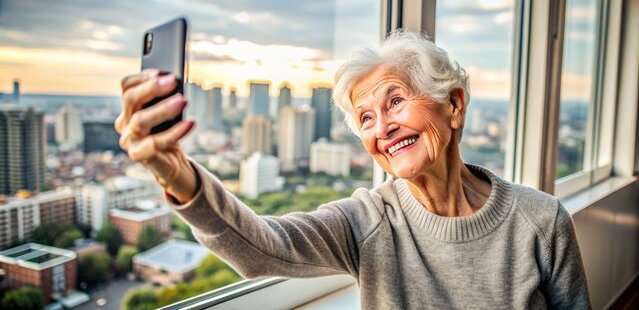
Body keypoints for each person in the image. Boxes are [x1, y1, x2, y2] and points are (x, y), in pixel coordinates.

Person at [115, 30, 590, 309]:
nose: (382, 128)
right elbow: (261, 247)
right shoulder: (367, 221)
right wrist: (176, 174)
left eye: (396, 101)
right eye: (366, 118)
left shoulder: (541, 221)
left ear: (455, 105)